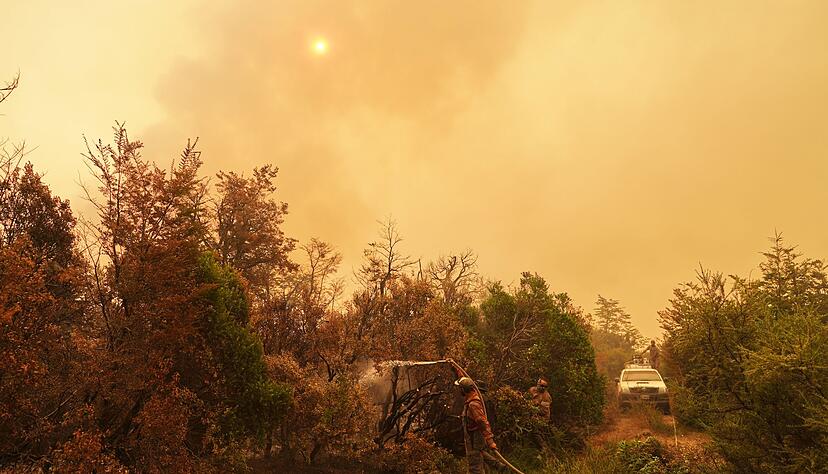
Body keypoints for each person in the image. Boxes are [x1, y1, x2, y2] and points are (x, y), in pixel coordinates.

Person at [455, 376, 498, 474]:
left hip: (475, 440)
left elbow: (482, 423)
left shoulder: (473, 404)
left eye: (460, 388)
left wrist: (490, 441)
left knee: (475, 468)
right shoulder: (471, 399)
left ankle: (500, 467)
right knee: (480, 462)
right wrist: (455, 368)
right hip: (473, 440)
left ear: (463, 390)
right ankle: (499, 467)